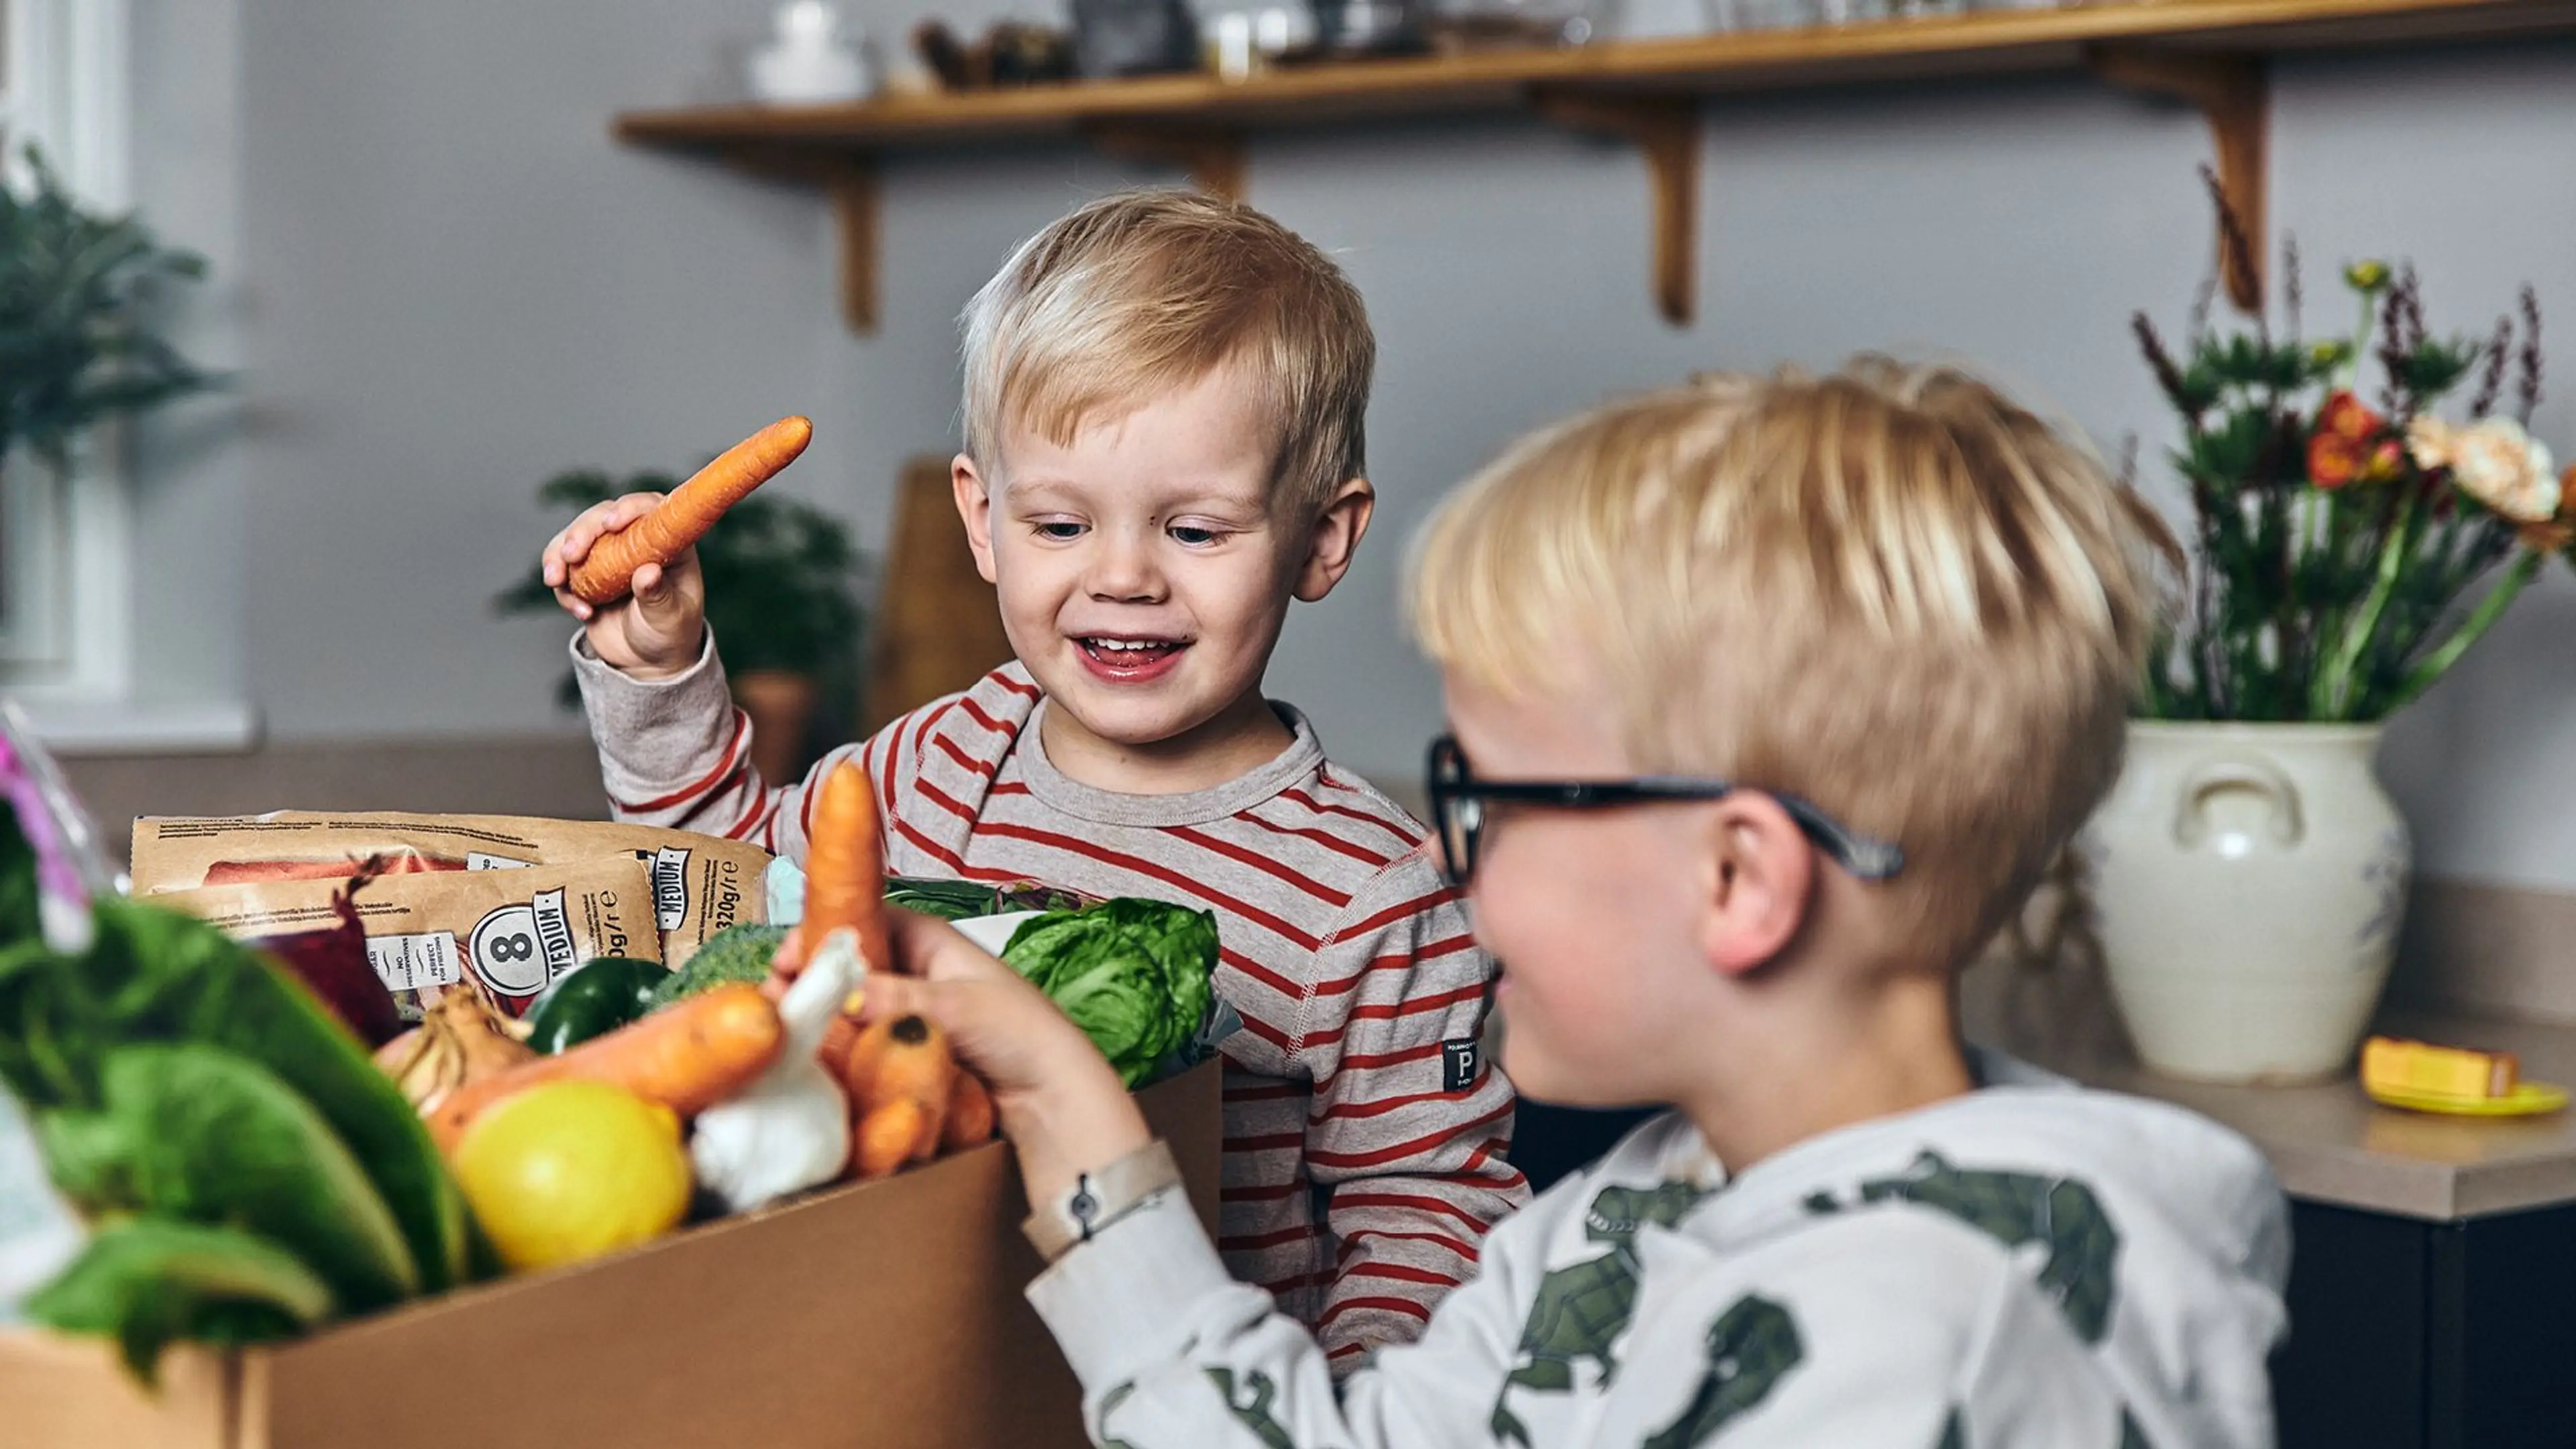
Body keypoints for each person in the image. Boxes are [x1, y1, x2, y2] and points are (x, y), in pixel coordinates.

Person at [853, 358, 2293, 1446]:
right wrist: (1074, 1105)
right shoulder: (1625, 1214)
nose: (1450, 862)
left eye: (1489, 802)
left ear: (1739, 880)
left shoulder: (1924, 1342)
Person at [540, 189, 1526, 1368]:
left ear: (1322, 538)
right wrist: (656, 671)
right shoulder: (938, 760)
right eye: (1060, 526)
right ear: (983, 520)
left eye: (1196, 532)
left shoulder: (1375, 893)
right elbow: (719, 894)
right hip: (905, 1366)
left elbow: (1428, 1216)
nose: (1123, 578)